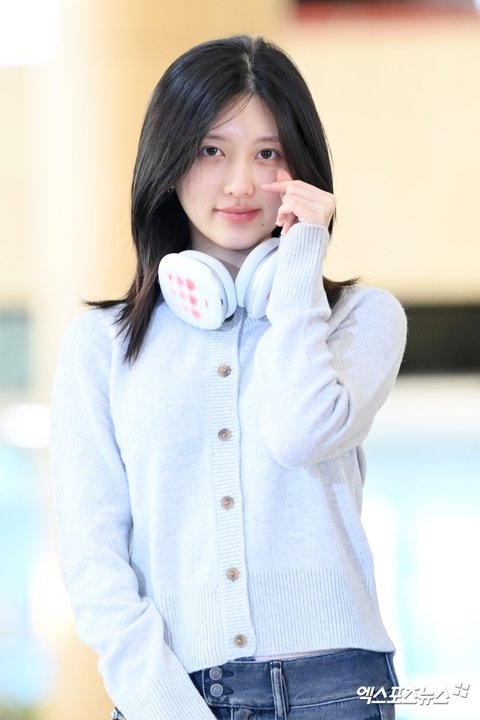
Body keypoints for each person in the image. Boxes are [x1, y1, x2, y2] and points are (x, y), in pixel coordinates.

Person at [51, 34, 407, 720]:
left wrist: (298, 268)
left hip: (337, 689)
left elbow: (301, 433)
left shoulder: (359, 319)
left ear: (301, 167)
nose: (241, 183)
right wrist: (164, 706)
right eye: (212, 150)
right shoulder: (100, 347)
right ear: (169, 161)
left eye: (268, 153)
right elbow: (95, 561)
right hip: (171, 693)